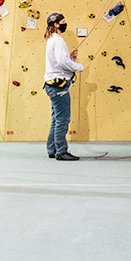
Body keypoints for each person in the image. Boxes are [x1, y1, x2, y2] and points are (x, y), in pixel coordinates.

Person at [42, 11, 84, 161]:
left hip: (52, 84)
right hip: (58, 86)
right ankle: (61, 151)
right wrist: (78, 66)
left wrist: (70, 57)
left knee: (56, 119)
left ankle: (52, 149)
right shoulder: (58, 41)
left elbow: (60, 60)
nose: (66, 23)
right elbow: (62, 63)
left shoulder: (52, 40)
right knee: (62, 119)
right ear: (56, 24)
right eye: (63, 21)